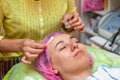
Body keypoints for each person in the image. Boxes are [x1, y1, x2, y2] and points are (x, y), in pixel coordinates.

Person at [0, 0, 85, 79]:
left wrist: (70, 24)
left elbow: (68, 24)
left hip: (52, 61)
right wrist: (19, 45)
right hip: (15, 60)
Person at [35, 32, 120, 80]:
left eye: (75, 41)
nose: (74, 45)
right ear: (51, 68)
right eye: (63, 47)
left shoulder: (109, 72)